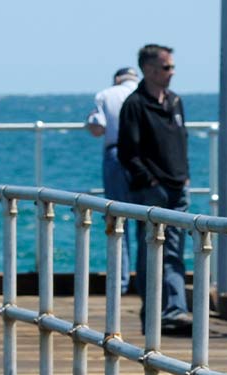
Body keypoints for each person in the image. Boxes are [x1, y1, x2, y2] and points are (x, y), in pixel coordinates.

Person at [117, 43, 194, 333]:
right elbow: (128, 152)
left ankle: (175, 309)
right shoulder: (135, 105)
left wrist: (184, 175)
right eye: (166, 67)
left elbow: (181, 139)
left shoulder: (174, 101)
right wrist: (149, 180)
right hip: (151, 189)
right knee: (151, 249)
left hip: (177, 186)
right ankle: (153, 308)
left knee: (175, 249)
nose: (171, 72)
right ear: (148, 70)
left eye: (172, 66)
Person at [86, 66, 142, 292]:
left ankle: (121, 281)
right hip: (145, 156)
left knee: (118, 217)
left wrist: (89, 119)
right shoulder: (146, 93)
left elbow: (98, 128)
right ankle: (148, 280)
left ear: (117, 79)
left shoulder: (106, 94)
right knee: (148, 219)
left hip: (116, 154)